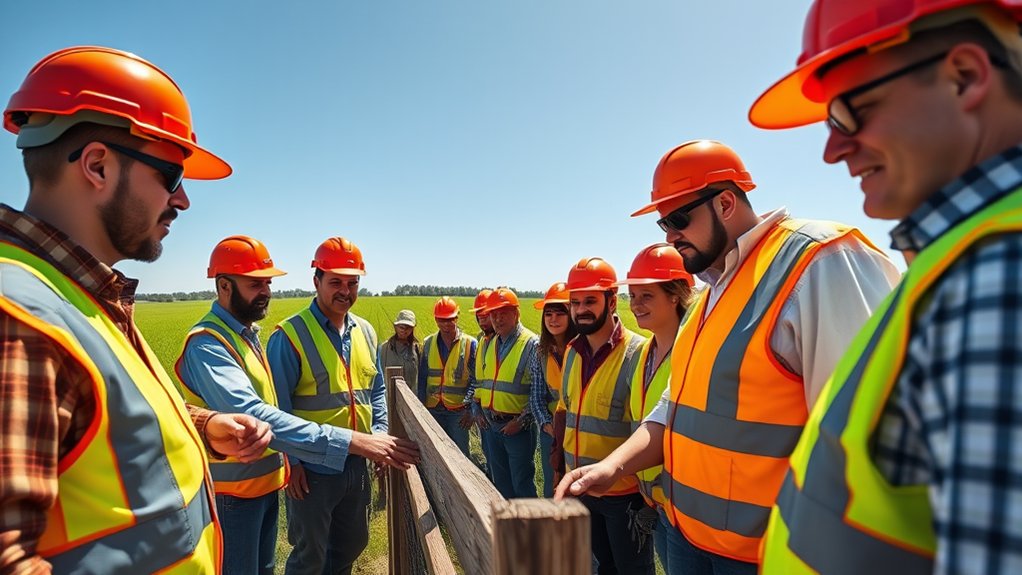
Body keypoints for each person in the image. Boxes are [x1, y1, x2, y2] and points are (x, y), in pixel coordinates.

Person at [748, 1, 1022, 572]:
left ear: (964, 77)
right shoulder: (960, 262)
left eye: (851, 112)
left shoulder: (998, 277)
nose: (832, 149)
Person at [556, 140, 900, 574]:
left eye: (678, 219)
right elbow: (675, 408)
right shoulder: (709, 299)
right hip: (689, 539)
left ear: (725, 203)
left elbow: (874, 441)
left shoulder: (819, 262)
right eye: (663, 223)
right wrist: (611, 466)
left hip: (768, 555)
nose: (669, 237)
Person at [0, 46, 274, 574]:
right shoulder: (18, 316)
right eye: (171, 175)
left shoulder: (80, 297)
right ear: (97, 165)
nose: (183, 200)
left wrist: (203, 424)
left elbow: (101, 427)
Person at [175, 236, 362, 574]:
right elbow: (251, 414)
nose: (265, 292)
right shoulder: (208, 343)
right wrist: (348, 440)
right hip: (231, 495)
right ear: (224, 286)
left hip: (261, 487)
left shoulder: (246, 336)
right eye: (254, 284)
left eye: (267, 283)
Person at [267, 237, 420, 575]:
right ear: (316, 281)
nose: (345, 291)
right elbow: (277, 408)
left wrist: (379, 436)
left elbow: (376, 389)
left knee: (352, 545)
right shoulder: (289, 335)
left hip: (357, 462)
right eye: (335, 282)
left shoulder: (365, 331)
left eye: (352, 283)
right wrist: (291, 462)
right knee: (310, 555)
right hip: (312, 469)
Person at [560, 257, 653, 574]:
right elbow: (569, 413)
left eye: (590, 301)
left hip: (624, 495)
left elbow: (648, 427)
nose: (580, 310)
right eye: (575, 302)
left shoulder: (638, 352)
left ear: (612, 301)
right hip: (581, 487)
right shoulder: (572, 351)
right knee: (603, 567)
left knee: (633, 570)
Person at [614, 243, 693, 571]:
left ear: (676, 295)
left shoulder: (693, 351)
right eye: (633, 296)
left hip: (683, 506)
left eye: (647, 295)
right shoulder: (642, 353)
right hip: (652, 500)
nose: (635, 305)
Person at [470, 287, 539, 498]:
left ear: (516, 314)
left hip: (517, 430)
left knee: (521, 484)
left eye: (503, 313)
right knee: (500, 484)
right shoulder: (490, 344)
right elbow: (482, 383)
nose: (497, 319)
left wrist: (521, 422)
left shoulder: (531, 344)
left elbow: (538, 393)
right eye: (494, 314)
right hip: (492, 426)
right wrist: (478, 410)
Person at [527, 281, 577, 498]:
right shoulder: (541, 352)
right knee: (552, 487)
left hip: (579, 432)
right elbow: (536, 396)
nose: (553, 319)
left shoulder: (583, 348)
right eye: (548, 314)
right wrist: (546, 424)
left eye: (560, 313)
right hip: (551, 433)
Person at [418, 296, 477, 456]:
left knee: (460, 454)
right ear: (436, 319)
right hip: (432, 408)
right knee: (434, 452)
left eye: (450, 319)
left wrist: (469, 408)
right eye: (441, 320)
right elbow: (422, 377)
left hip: (458, 411)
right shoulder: (428, 343)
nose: (445, 324)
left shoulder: (470, 344)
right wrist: (421, 408)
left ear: (457, 317)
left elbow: (475, 380)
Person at [378, 309, 420, 387]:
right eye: (401, 327)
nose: (404, 330)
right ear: (395, 326)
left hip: (411, 393)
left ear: (413, 329)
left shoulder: (417, 349)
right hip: (389, 392)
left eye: (408, 327)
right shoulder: (384, 348)